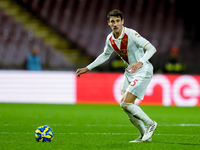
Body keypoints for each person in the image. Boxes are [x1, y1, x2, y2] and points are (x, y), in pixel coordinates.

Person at [76, 9, 157, 143]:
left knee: (125, 102)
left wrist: (139, 63)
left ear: (122, 21)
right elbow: (105, 55)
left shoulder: (131, 34)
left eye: (118, 21)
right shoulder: (110, 39)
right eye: (112, 21)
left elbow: (152, 48)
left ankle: (150, 123)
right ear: (108, 23)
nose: (115, 24)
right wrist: (87, 68)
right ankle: (144, 136)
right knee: (126, 107)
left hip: (143, 70)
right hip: (129, 73)